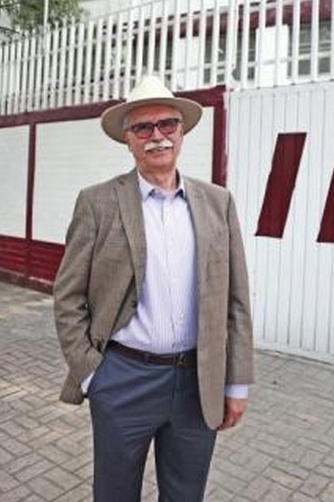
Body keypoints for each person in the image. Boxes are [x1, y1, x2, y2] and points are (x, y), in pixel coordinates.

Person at [52, 73, 254, 501]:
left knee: (185, 495)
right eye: (143, 128)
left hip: (199, 381)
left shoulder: (219, 203)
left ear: (181, 132)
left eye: (167, 125)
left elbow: (235, 300)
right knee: (115, 494)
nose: (157, 136)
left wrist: (236, 383)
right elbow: (68, 295)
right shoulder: (98, 202)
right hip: (123, 378)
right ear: (128, 139)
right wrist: (93, 374)